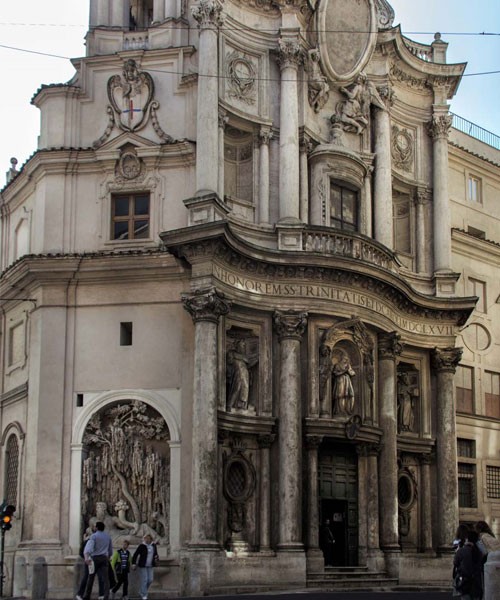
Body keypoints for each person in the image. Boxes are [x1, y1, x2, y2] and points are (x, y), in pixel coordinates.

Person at [82, 521, 113, 600]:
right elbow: (110, 550)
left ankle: (87, 595)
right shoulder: (107, 536)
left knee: (91, 577)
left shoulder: (94, 536)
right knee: (106, 579)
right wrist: (109, 556)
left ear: (97, 528)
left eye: (95, 526)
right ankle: (106, 596)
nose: (94, 528)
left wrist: (86, 557)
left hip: (94, 558)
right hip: (104, 558)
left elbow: (89, 548)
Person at [453, 529, 483, 599]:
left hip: (465, 582)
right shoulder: (479, 551)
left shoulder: (461, 551)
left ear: (467, 539)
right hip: (476, 583)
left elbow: (455, 563)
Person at [132, 534, 159, 600]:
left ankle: (142, 591)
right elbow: (135, 554)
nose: (146, 540)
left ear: (150, 539)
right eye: (145, 538)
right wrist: (133, 563)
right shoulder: (142, 546)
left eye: (148, 538)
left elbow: (155, 554)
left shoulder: (153, 545)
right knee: (144, 580)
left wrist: (156, 557)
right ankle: (144, 595)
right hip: (142, 565)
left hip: (150, 565)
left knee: (150, 580)